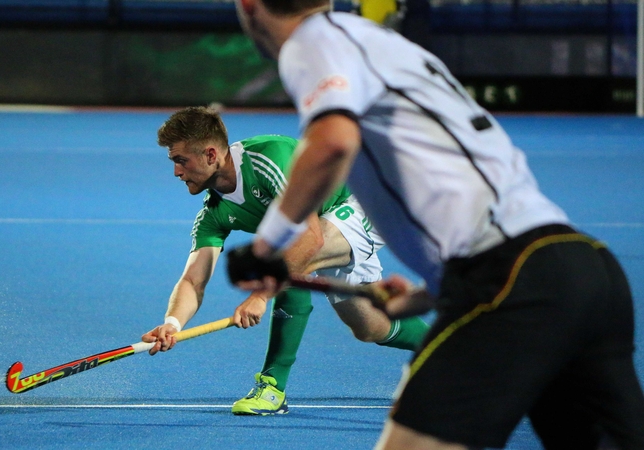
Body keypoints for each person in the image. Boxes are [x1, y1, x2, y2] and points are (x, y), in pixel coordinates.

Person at [225, 1, 644, 449]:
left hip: (512, 280)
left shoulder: (312, 40)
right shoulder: (383, 43)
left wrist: (266, 248)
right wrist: (432, 292)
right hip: (583, 266)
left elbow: (332, 143)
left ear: (249, 5)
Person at [141, 106, 429, 416]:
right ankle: (448, 344)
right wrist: (172, 324)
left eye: (181, 160)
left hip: (367, 196)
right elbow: (193, 280)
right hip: (331, 224)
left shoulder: (267, 159)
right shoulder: (213, 214)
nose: (177, 172)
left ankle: (273, 386)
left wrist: (260, 296)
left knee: (287, 259)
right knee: (370, 327)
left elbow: (310, 238)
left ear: (211, 155)